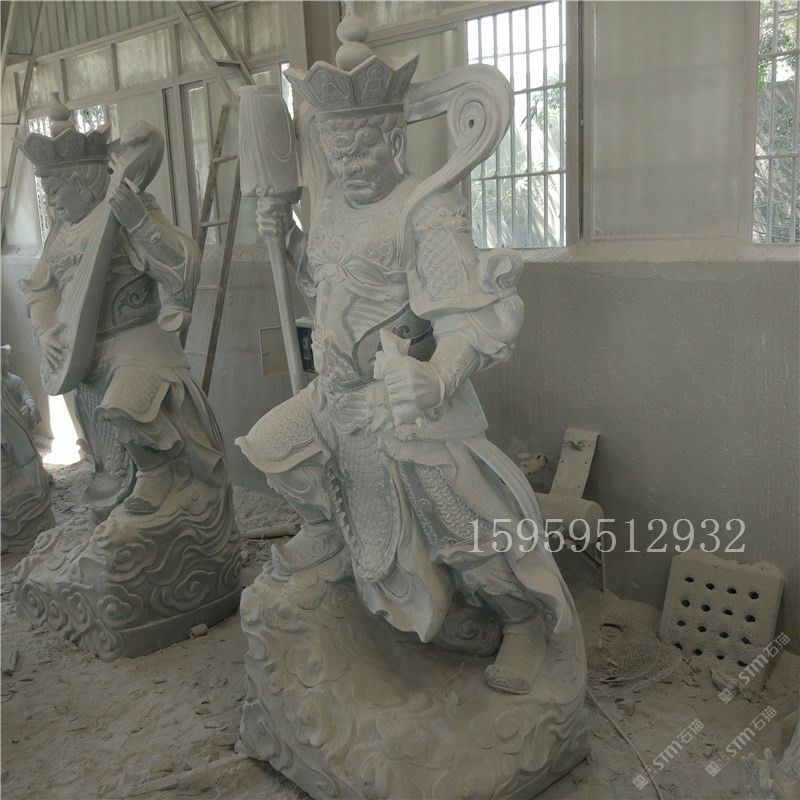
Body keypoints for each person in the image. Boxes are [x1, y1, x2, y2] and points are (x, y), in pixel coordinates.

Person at [238, 21, 577, 695]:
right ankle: (328, 533)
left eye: (364, 144)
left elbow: (464, 315)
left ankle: (521, 625)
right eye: (337, 146)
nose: (350, 160)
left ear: (394, 138)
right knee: (273, 448)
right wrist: (287, 236)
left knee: (464, 527)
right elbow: (324, 286)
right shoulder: (331, 206)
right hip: (335, 396)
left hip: (403, 401)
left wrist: (435, 377)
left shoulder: (427, 207)